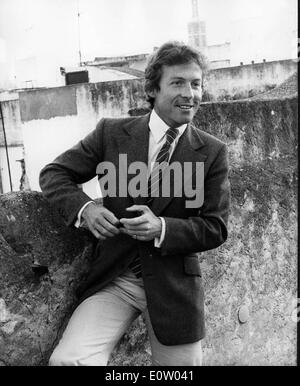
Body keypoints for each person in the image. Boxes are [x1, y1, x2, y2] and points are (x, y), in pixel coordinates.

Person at [39, 41, 230, 366]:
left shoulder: (212, 152)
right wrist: (87, 209)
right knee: (69, 360)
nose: (190, 93)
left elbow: (216, 228)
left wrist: (162, 228)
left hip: (175, 286)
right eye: (178, 83)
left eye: (196, 84)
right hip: (116, 279)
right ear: (153, 89)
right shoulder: (110, 134)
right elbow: (55, 173)